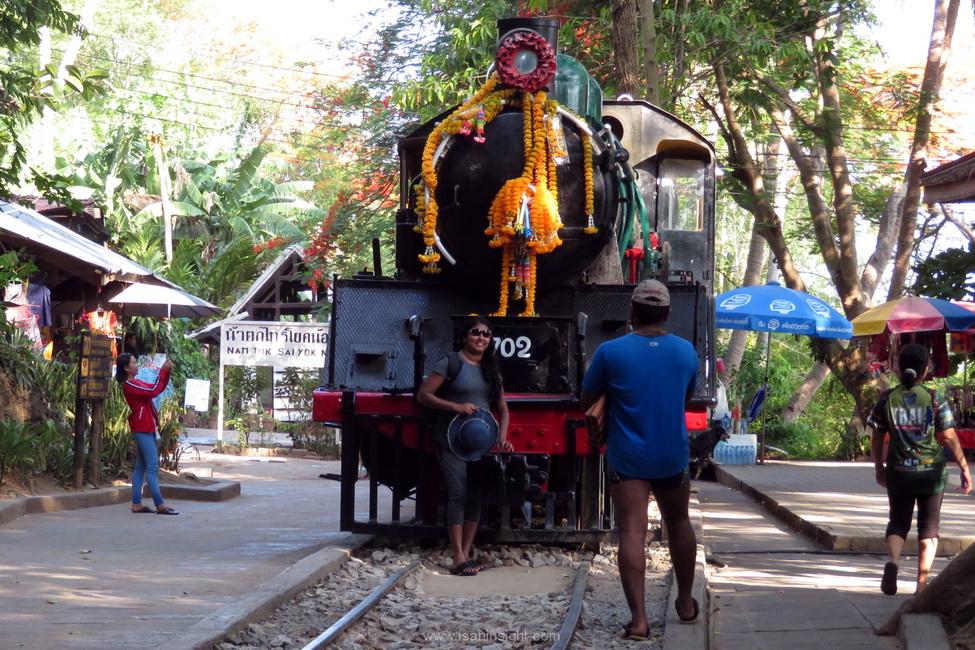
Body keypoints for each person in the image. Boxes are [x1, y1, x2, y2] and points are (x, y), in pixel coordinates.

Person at [581, 279, 700, 639]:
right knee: (679, 523)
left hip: (628, 456)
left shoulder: (610, 352)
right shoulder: (685, 352)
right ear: (666, 313)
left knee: (631, 531)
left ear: (632, 312)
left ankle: (639, 621)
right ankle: (683, 601)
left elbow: (587, 399)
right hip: (672, 455)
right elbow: (686, 398)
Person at [868, 343, 971, 595]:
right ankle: (921, 586)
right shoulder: (935, 399)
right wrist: (964, 467)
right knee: (929, 528)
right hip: (931, 474)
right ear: (926, 370)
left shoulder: (887, 399)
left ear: (897, 367)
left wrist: (879, 466)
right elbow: (947, 435)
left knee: (897, 522)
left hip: (899, 471)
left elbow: (876, 436)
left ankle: (893, 561)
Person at [417, 316, 512, 576]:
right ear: (465, 336)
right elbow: (424, 396)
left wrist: (503, 437)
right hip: (450, 437)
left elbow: (503, 409)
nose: (481, 337)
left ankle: (467, 551)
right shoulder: (449, 362)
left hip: (480, 441)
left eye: (486, 334)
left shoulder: (492, 369)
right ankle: (457, 554)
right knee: (458, 492)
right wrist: (456, 407)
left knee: (476, 495)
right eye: (476, 333)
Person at [116, 353, 179, 515]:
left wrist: (166, 373)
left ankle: (136, 504)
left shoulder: (134, 383)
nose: (137, 365)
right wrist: (163, 372)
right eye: (134, 362)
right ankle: (160, 504)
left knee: (140, 468)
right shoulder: (131, 385)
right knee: (152, 467)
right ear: (126, 368)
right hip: (143, 428)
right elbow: (153, 390)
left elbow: (155, 389)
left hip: (145, 427)